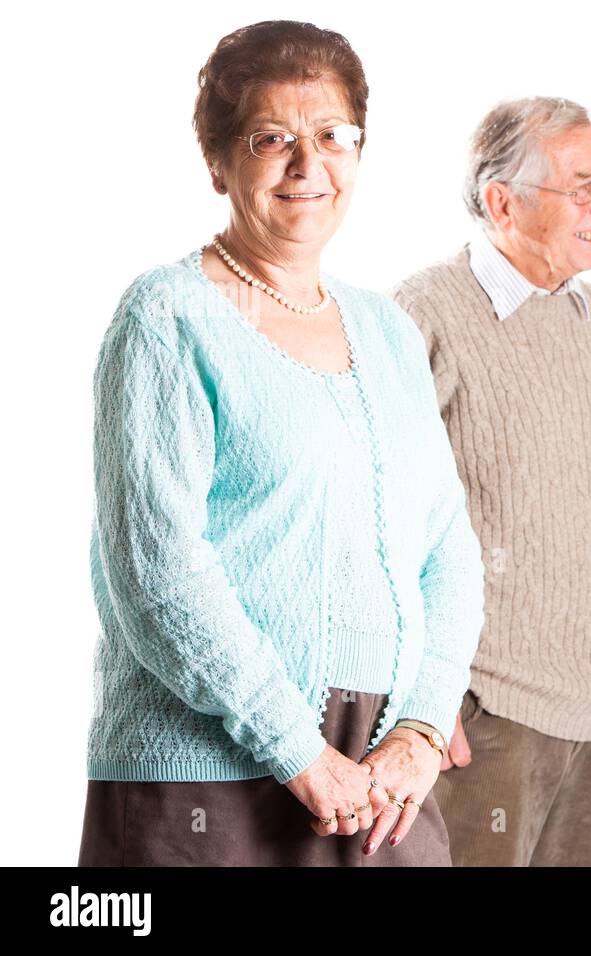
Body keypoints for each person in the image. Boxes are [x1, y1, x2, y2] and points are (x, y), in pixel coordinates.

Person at [77, 19, 484, 866]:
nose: (309, 165)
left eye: (334, 136)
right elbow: (156, 568)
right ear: (219, 161)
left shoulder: (390, 330)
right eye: (273, 139)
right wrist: (296, 748)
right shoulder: (166, 318)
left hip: (382, 778)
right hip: (208, 771)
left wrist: (420, 722)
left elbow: (448, 543)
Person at [391, 97, 591, 867]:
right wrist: (421, 697)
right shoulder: (422, 312)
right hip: (485, 716)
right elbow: (378, 521)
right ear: (500, 201)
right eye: (582, 185)